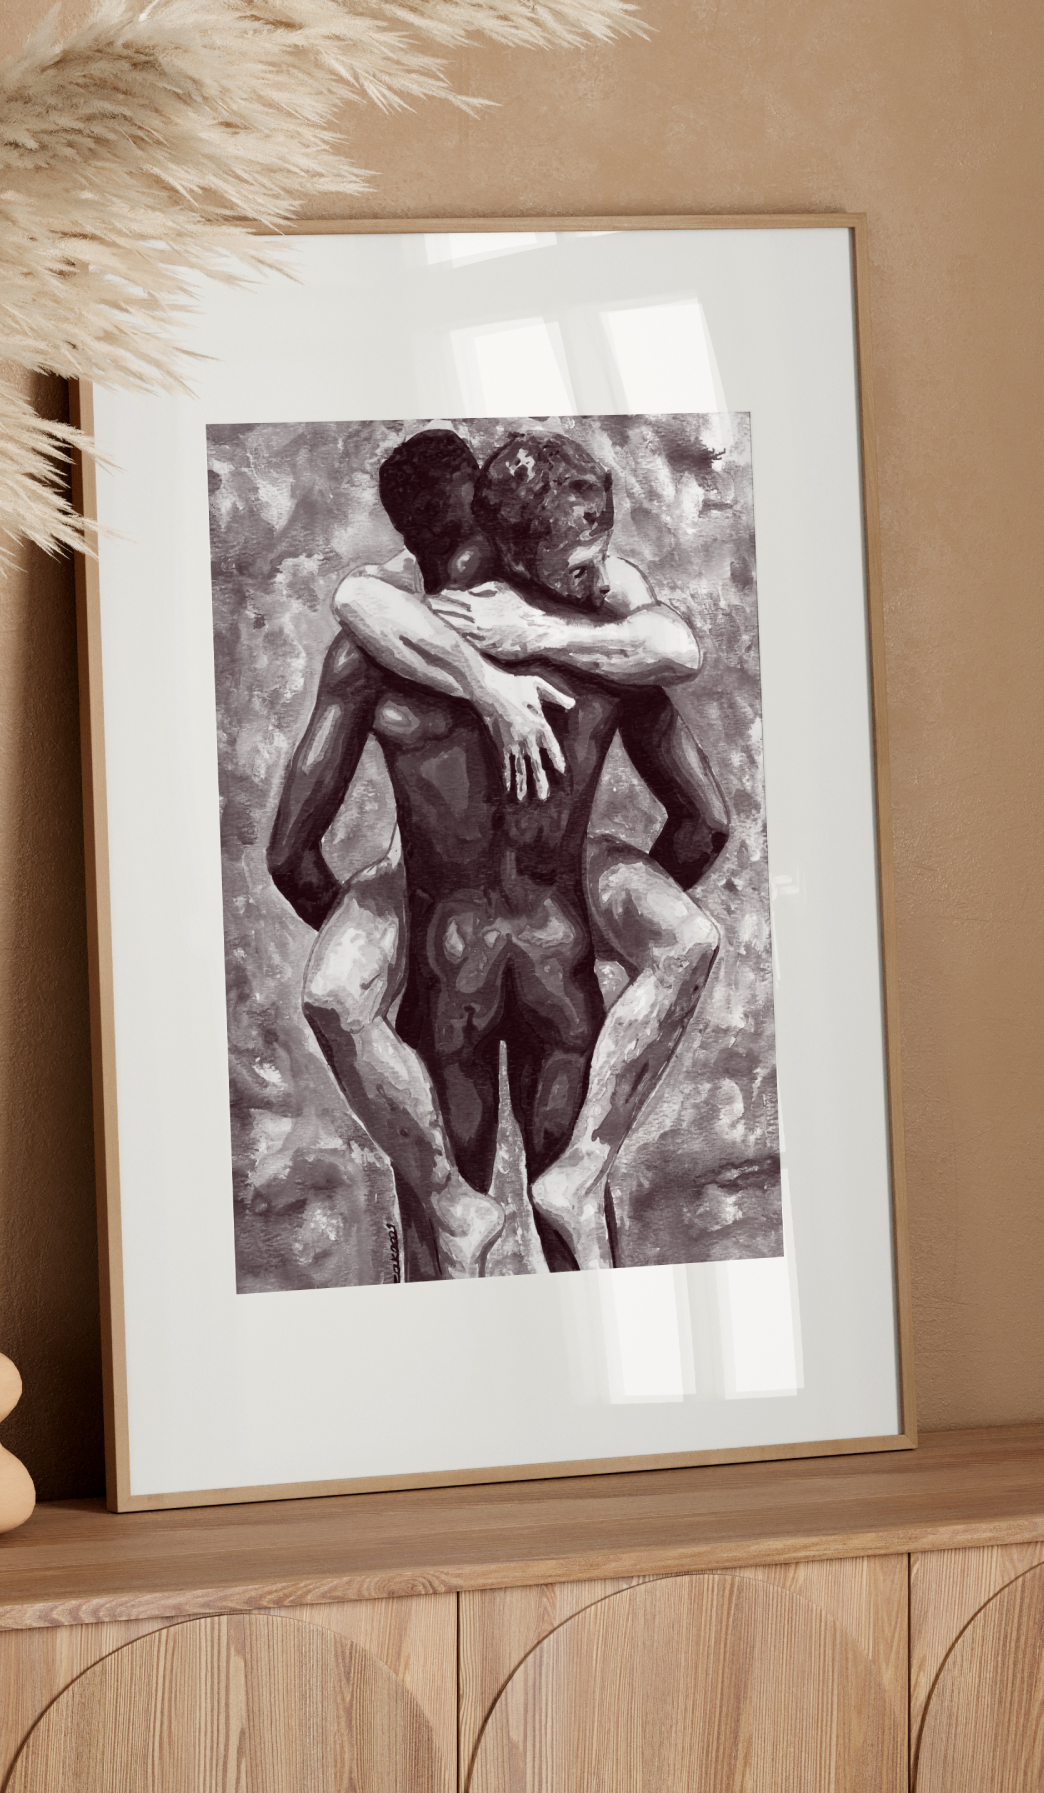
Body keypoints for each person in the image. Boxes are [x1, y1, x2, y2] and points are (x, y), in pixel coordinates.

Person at [269, 428, 728, 1276]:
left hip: (447, 969)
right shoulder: (595, 638)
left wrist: (409, 916)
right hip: (558, 957)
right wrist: (583, 897)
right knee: (579, 1248)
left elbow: (293, 854)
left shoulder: (377, 653)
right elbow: (703, 822)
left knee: (448, 1265)